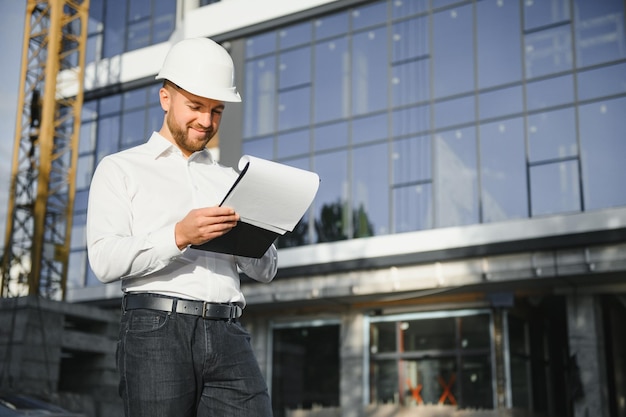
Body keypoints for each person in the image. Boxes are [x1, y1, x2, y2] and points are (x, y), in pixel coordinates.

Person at [86, 37, 277, 417]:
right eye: (195, 106)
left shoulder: (230, 180)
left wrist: (247, 238)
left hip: (229, 332)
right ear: (165, 98)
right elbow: (104, 261)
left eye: (216, 110)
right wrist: (180, 236)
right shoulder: (120, 168)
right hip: (156, 331)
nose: (206, 121)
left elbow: (268, 270)